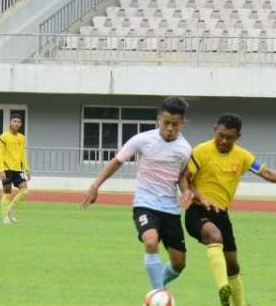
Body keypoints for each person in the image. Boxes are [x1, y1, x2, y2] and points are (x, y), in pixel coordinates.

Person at [184, 113, 276, 306]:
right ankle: (222, 288)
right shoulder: (201, 151)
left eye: (229, 137)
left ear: (238, 136)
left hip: (222, 214)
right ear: (214, 130)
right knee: (214, 236)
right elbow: (186, 180)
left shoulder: (243, 156)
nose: (224, 141)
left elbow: (265, 172)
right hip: (197, 211)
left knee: (233, 264)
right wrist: (200, 198)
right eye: (220, 135)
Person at [81, 97, 194, 295]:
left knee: (179, 263)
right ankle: (158, 292)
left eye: (175, 124)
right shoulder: (142, 140)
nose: (169, 128)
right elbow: (117, 161)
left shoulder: (185, 149)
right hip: (145, 204)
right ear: (159, 119)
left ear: (183, 123)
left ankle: (158, 287)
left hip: (170, 209)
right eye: (166, 122)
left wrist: (186, 192)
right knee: (151, 241)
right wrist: (95, 186)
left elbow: (181, 176)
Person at [0, 113, 31, 225]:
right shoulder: (3, 137)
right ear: (10, 123)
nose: (16, 123)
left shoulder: (22, 138)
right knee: (7, 193)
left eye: (18, 122)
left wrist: (26, 168)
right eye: (14, 121)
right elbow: (0, 154)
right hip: (6, 168)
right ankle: (5, 217)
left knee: (24, 191)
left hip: (18, 169)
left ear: (21, 124)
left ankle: (10, 209)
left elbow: (23, 154)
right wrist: (1, 170)